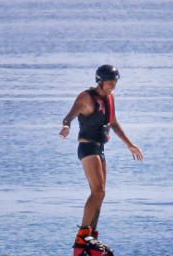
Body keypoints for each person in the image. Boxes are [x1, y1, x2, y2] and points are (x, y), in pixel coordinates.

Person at [59, 64, 144, 245]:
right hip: (87, 147)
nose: (113, 85)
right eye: (109, 82)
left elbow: (113, 123)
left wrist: (130, 145)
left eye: (115, 81)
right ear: (100, 81)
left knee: (101, 193)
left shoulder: (110, 99)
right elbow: (69, 116)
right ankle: (83, 234)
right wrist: (66, 126)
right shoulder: (86, 97)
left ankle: (91, 234)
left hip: (100, 148)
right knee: (97, 190)